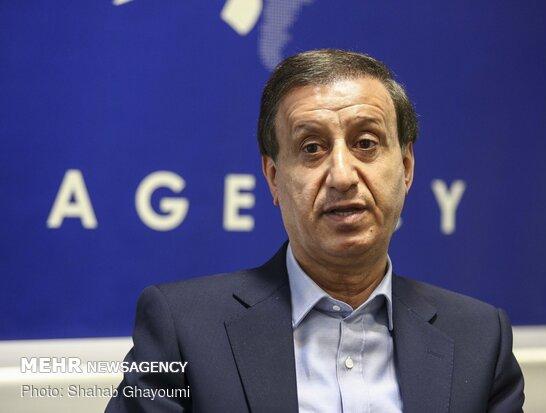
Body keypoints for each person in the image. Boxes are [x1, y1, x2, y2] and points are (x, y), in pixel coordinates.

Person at [106, 49, 524, 412]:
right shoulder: (182, 329)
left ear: (406, 166)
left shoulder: (480, 338)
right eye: (311, 148)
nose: (342, 176)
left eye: (366, 143)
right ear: (273, 178)